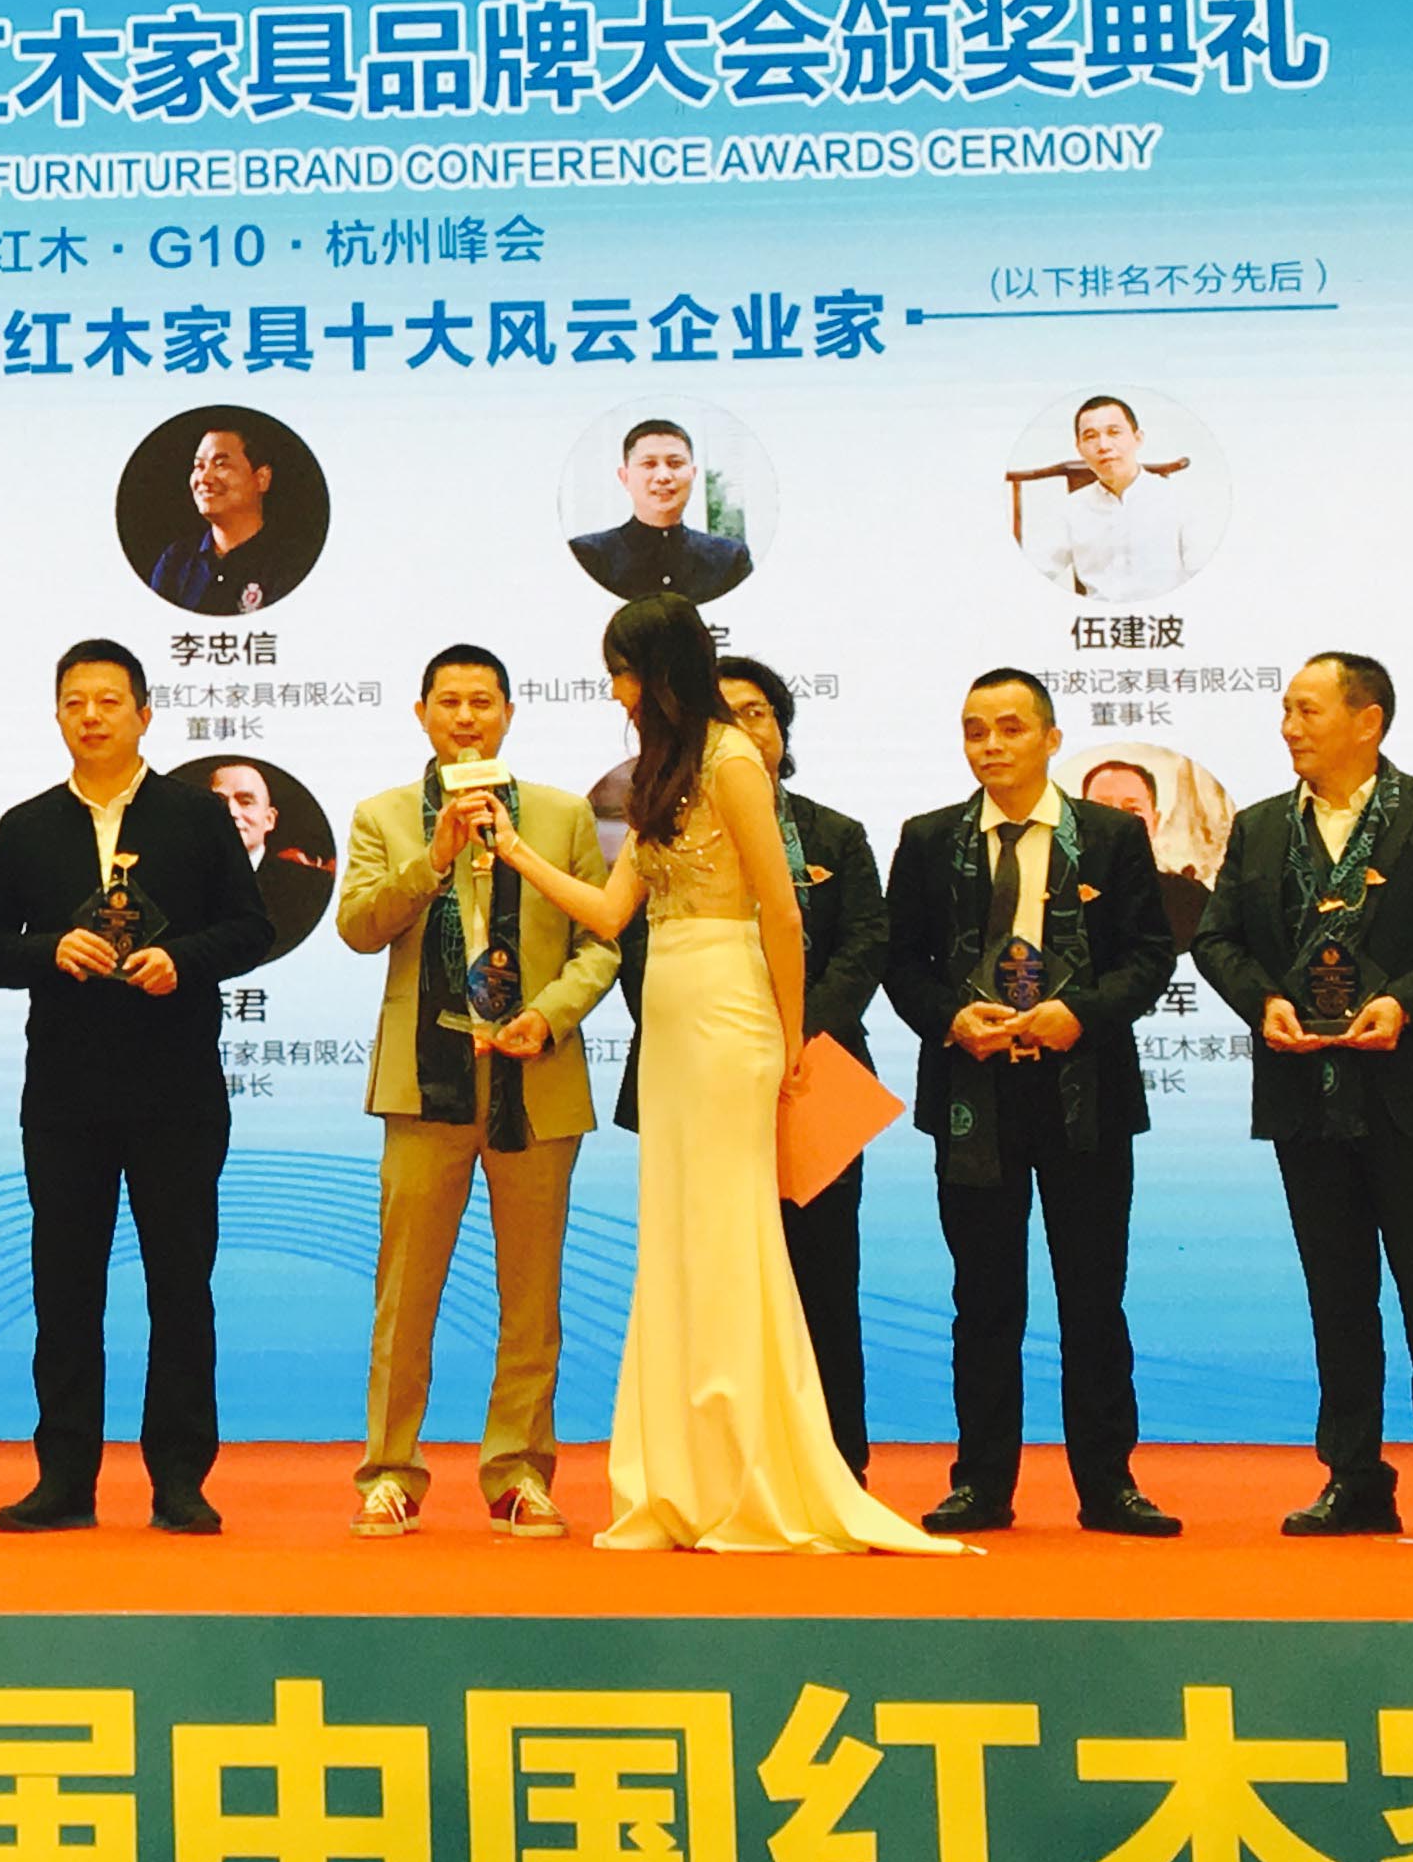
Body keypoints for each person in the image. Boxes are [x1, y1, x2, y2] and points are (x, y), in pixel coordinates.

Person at [484, 601, 951, 1555]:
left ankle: (754, 1471)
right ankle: (682, 1476)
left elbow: (780, 909)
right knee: (679, 1236)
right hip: (671, 1008)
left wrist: (789, 1036)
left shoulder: (731, 758)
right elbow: (610, 914)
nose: (613, 692)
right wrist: (515, 849)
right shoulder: (661, 772)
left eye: (620, 672)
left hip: (734, 1006)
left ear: (656, 670)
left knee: (734, 1231)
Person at [1192, 654, 1413, 1543]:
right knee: (1335, 1294)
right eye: (1284, 711)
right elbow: (1216, 940)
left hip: (1412, 1090)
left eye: (1306, 711)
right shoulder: (1261, 827)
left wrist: (1405, 1002)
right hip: (1304, 1091)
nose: (1287, 727)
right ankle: (1353, 1479)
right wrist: (1261, 1002)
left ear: (1366, 720)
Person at [0, 640, 275, 1532]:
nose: (90, 716)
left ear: (144, 713)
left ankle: (179, 1478)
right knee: (64, 1290)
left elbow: (250, 929)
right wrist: (46, 950)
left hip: (177, 1091)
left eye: (108, 700)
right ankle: (64, 1479)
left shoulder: (196, 817)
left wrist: (183, 959)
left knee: (180, 1288)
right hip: (65, 1097)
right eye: (74, 701)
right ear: (56, 715)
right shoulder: (26, 825)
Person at [883, 668, 1182, 1537]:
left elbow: (1149, 955)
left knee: (1093, 1299)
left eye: (1010, 728)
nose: (990, 746)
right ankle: (980, 1484)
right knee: (982, 1301)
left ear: (1051, 739)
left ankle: (1108, 1485)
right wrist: (951, 1018)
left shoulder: (1108, 837)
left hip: (1084, 1094)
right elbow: (897, 962)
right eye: (974, 730)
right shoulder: (929, 839)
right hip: (972, 1094)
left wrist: (1078, 1014)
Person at [334, 644, 620, 1539]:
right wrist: (433, 857)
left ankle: (519, 1471)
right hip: (425, 1084)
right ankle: (389, 1471)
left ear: (508, 714)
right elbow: (357, 928)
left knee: (532, 1295)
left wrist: (550, 1014)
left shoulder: (563, 815)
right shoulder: (383, 815)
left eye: (482, 702)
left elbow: (601, 941)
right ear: (421, 713)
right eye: (449, 702)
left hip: (535, 1078)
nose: (465, 718)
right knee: (404, 1293)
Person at [612, 656, 890, 1480]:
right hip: (704, 1065)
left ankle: (835, 1463)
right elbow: (640, 945)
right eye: (724, 712)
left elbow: (864, 945)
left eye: (756, 712)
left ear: (781, 728)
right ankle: (718, 1463)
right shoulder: (665, 827)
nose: (740, 727)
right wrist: (717, 1034)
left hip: (814, 1076)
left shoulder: (835, 834)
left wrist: (787, 1034)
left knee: (822, 1274)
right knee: (710, 1270)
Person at [1037, 394, 1207, 602]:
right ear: (1079, 447)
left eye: (1114, 432)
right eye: (1090, 436)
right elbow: (1037, 571)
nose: (1103, 445)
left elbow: (1203, 574)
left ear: (1138, 439)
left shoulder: (1178, 498)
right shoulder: (1069, 509)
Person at [568, 419, 753, 604]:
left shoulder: (729, 558)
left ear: (693, 474)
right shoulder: (589, 556)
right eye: (649, 464)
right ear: (624, 477)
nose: (663, 476)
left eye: (675, 463)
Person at [148, 423, 297, 616]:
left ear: (262, 478)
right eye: (199, 466)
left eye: (220, 464)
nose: (204, 478)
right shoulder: (176, 561)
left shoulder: (290, 563)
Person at [1081, 758, 1210, 946]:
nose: (1118, 822)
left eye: (1132, 810)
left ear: (1155, 821)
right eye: (1102, 809)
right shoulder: (1056, 891)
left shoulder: (1191, 898)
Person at [210, 759, 334, 953]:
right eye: (219, 801)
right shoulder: (175, 884)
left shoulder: (312, 887)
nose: (232, 812)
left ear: (269, 819)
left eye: (246, 802)